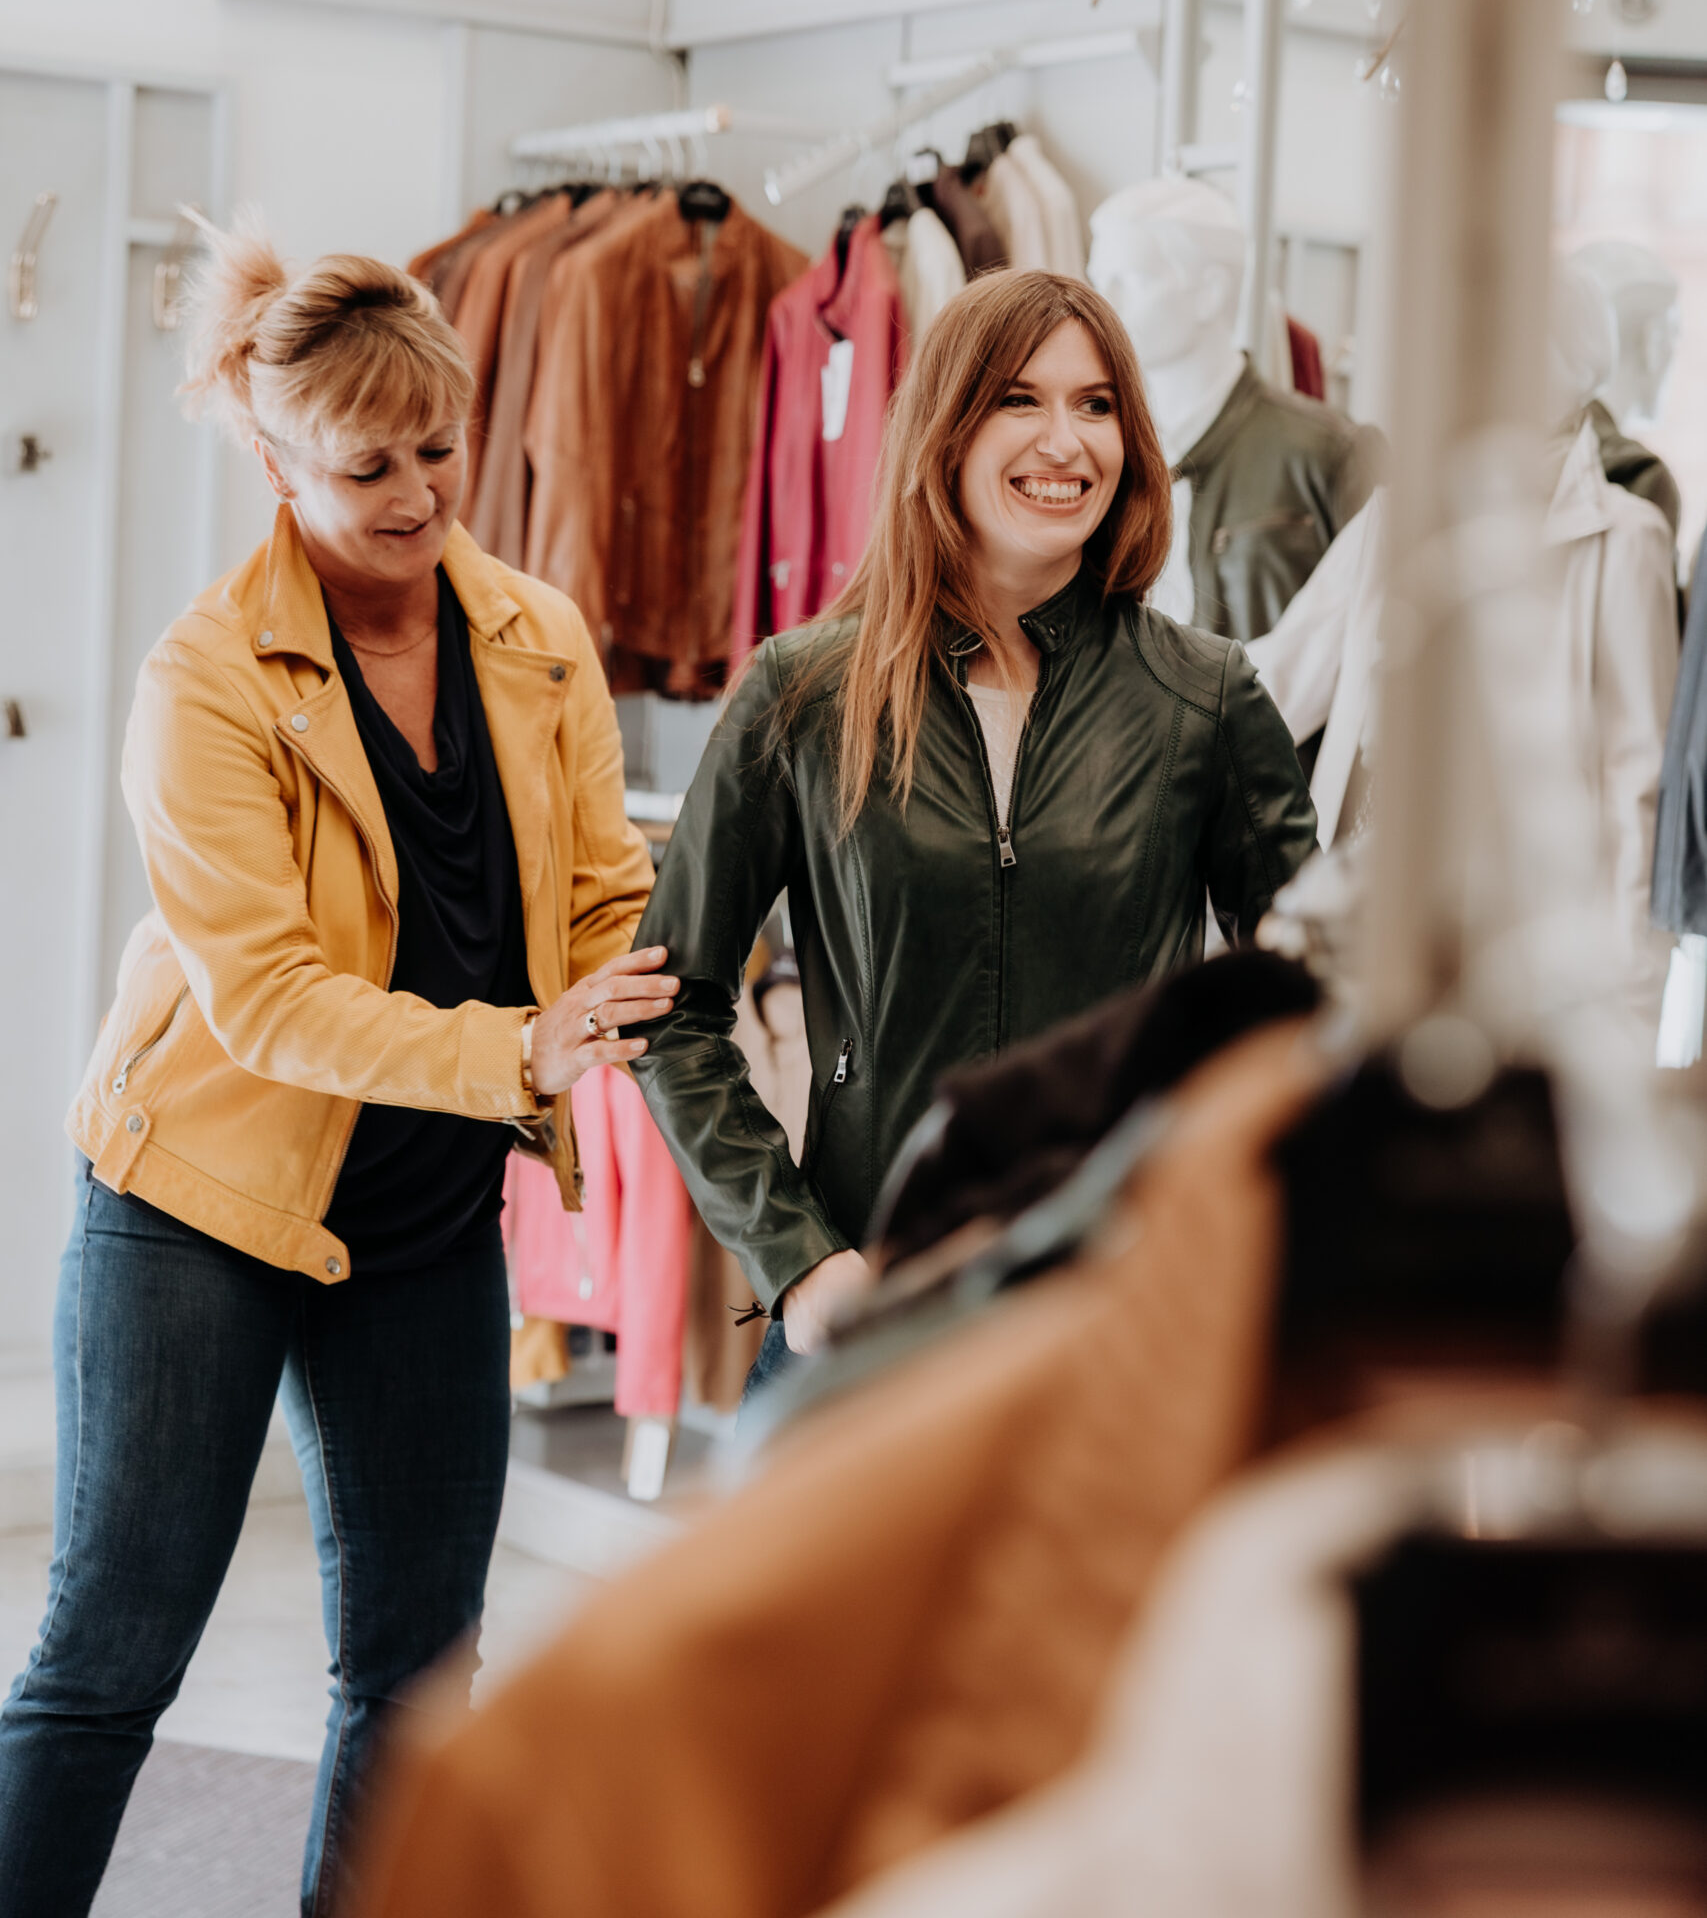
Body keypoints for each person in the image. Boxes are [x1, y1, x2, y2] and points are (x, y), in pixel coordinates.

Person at [0, 218, 674, 1918]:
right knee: (111, 1650)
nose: (417, 492)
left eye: (438, 447)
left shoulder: (537, 637)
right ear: (277, 460)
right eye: (367, 465)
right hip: (200, 1199)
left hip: (424, 1209)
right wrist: (518, 1046)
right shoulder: (204, 678)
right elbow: (270, 1002)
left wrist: (684, 952)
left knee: (417, 1671)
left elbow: (602, 894)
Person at [634, 268, 1317, 1399]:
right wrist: (798, 1258)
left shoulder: (1203, 697)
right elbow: (671, 1007)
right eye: (1019, 399)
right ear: (945, 428)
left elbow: (1310, 1004)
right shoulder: (802, 693)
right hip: (866, 1314)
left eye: (1096, 405)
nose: (1066, 442)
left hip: (1110, 1319)